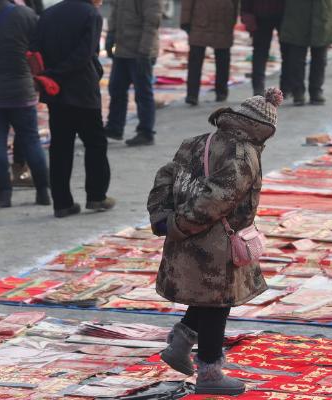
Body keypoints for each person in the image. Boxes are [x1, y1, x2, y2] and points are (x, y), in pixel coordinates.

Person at [147, 87, 283, 396]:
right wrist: (182, 224)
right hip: (215, 239)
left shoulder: (198, 141)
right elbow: (220, 198)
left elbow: (165, 177)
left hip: (189, 234)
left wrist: (164, 217)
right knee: (219, 302)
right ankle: (209, 372)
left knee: (207, 296)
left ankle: (181, 342)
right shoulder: (242, 152)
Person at [32, 0, 115, 218]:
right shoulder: (91, 14)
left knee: (60, 147)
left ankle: (62, 203)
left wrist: (49, 75)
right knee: (95, 143)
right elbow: (85, 54)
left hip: (55, 91)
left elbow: (35, 51)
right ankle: (96, 196)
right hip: (82, 91)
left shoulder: (48, 14)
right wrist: (60, 72)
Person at [0, 0, 49, 208]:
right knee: (31, 141)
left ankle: (4, 194)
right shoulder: (25, 14)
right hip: (22, 88)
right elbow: (39, 46)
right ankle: (43, 191)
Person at [104, 0, 163, 147]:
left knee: (142, 93)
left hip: (141, 51)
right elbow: (115, 10)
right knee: (116, 88)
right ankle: (114, 127)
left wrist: (144, 52)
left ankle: (146, 132)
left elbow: (152, 22)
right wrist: (111, 33)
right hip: (123, 49)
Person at [181, 0, 239, 106]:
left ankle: (194, 94)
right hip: (211, 17)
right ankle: (218, 93)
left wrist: (185, 21)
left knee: (201, 60)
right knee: (216, 58)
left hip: (209, 17)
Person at [280, 0, 332, 106]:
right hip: (297, 14)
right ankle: (298, 92)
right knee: (296, 58)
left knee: (320, 58)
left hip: (322, 11)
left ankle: (316, 91)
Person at [241, 0, 290, 96]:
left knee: (285, 52)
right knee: (284, 52)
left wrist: (246, 12)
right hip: (266, 13)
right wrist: (246, 12)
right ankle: (261, 88)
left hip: (275, 13)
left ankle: (261, 88)